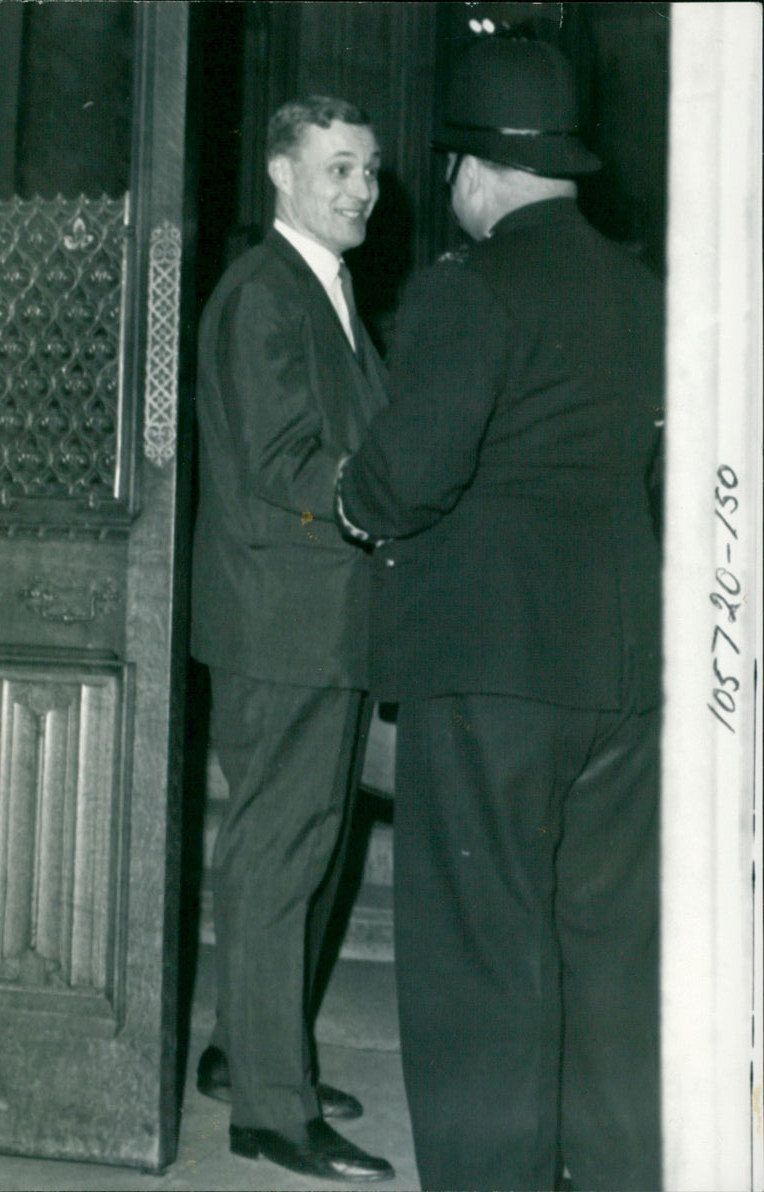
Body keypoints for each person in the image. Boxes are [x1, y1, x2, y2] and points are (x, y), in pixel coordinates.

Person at [336, 37, 664, 1192]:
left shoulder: (468, 286)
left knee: (480, 960)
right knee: (605, 959)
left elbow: (405, 474)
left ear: (476, 173)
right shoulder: (644, 293)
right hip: (623, 672)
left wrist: (350, 500)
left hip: (490, 669)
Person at [190, 95, 394, 1183]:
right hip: (285, 626)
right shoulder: (263, 294)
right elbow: (284, 463)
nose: (358, 189)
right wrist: (390, 503)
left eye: (368, 170)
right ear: (281, 172)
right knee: (280, 855)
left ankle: (250, 1053)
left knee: (303, 850)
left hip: (324, 621)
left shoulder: (326, 285)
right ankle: (272, 1110)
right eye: (336, 168)